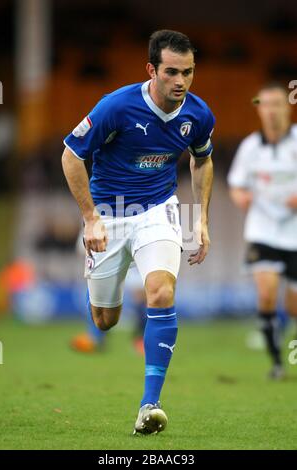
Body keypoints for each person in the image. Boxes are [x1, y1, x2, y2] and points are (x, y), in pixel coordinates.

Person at [62, 30, 214, 434]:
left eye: (188, 72)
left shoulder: (198, 115)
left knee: (161, 291)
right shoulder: (116, 106)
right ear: (152, 70)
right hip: (109, 215)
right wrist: (90, 218)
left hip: (157, 210)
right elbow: (71, 156)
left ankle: (150, 404)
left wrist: (200, 218)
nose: (181, 81)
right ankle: (107, 304)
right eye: (171, 72)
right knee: (104, 320)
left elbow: (202, 160)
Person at [228, 83, 297, 379]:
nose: (271, 110)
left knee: (293, 304)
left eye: (277, 104)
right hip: (263, 230)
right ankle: (278, 363)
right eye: (265, 104)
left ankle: (287, 338)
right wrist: (240, 197)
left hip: (294, 232)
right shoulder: (250, 147)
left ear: (288, 107)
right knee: (266, 295)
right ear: (259, 109)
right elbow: (236, 184)